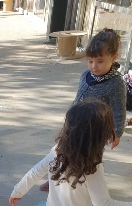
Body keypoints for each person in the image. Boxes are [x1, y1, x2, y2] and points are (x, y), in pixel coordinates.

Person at [39, 28, 126, 192]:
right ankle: (55, 178)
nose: (94, 66)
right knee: (62, 151)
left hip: (95, 130)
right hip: (74, 123)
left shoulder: (115, 83)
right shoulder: (86, 75)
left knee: (88, 157)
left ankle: (82, 183)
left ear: (114, 57)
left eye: (100, 61)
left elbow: (119, 110)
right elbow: (78, 98)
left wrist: (117, 133)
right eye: (90, 61)